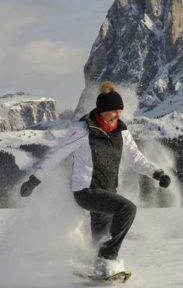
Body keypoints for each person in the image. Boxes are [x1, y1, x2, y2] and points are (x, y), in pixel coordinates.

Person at [19, 82, 172, 277]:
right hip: (86, 192)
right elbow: (56, 155)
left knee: (99, 239)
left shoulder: (121, 131)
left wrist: (157, 173)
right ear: (102, 111)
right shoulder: (82, 130)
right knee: (127, 209)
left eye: (120, 111)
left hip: (107, 193)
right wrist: (34, 180)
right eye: (114, 111)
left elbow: (136, 158)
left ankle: (95, 267)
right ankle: (107, 257)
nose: (118, 115)